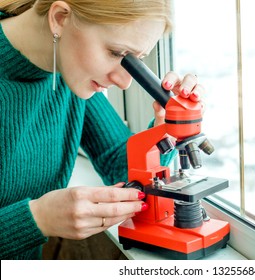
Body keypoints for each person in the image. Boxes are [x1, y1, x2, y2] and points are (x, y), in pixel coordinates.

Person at [0, 0, 203, 260]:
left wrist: (166, 127)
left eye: (136, 60)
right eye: (117, 53)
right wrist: (37, 219)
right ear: (60, 18)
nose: (124, 82)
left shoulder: (68, 69)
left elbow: (119, 167)